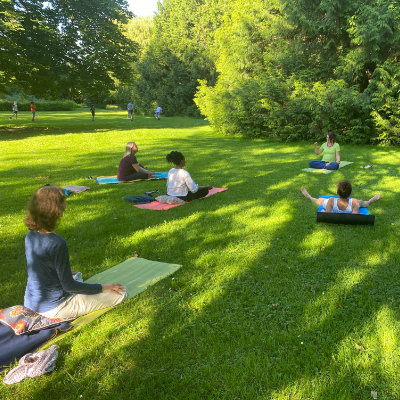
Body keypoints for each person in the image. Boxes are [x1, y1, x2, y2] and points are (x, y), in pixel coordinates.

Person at [24, 185, 127, 319]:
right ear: (57, 211)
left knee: (76, 274)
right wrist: (102, 287)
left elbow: (40, 267)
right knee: (121, 293)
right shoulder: (57, 243)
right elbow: (68, 286)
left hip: (31, 302)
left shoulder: (30, 234)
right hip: (55, 308)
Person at [301, 181, 381, 214]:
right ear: (351, 193)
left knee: (319, 200)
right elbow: (355, 217)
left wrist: (322, 211)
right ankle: (372, 200)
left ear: (337, 193)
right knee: (365, 203)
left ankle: (309, 196)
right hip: (350, 204)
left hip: (333, 204)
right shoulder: (354, 202)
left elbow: (327, 215)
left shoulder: (331, 200)